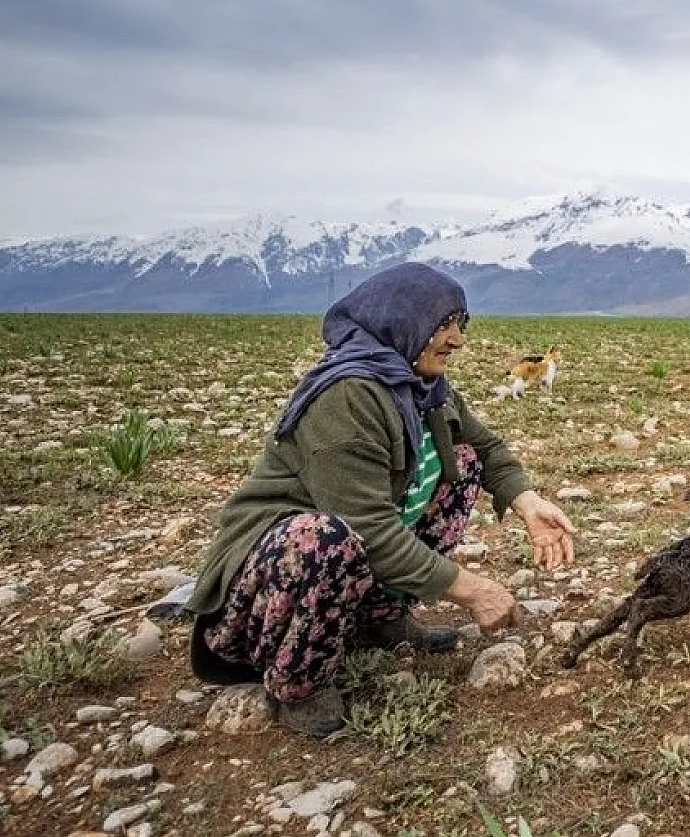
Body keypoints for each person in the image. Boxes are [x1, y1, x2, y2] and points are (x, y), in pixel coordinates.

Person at [184, 262, 577, 736]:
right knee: (322, 537)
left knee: (463, 458)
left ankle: (378, 618)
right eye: (444, 325)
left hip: (352, 564)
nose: (458, 340)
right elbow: (370, 529)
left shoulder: (425, 390)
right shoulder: (348, 397)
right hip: (265, 600)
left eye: (460, 324)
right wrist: (474, 591)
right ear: (401, 321)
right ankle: (298, 680)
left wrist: (528, 502)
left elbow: (486, 447)